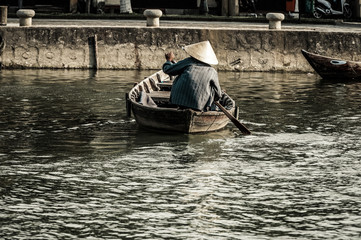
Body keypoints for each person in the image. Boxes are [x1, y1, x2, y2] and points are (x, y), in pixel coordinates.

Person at [162, 41, 222, 112]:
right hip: (199, 105)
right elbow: (218, 94)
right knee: (212, 90)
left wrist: (169, 60)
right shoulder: (212, 71)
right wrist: (215, 101)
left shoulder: (189, 62)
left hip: (179, 101)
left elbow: (168, 69)